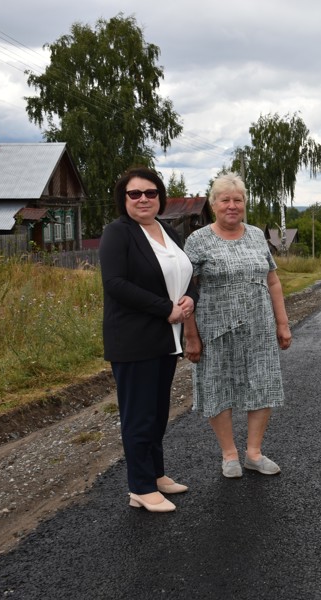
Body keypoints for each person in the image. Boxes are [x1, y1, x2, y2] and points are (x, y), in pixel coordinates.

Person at [99, 167, 197, 513]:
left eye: (150, 193)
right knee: (138, 414)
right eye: (134, 194)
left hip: (166, 338)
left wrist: (189, 299)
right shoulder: (118, 233)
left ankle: (155, 474)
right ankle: (139, 487)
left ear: (160, 197)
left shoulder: (167, 231)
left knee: (157, 412)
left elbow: (184, 274)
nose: (143, 199)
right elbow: (116, 284)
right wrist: (165, 309)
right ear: (123, 199)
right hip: (134, 338)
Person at [183, 173, 292, 479]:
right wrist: (191, 335)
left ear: (245, 203)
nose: (232, 205)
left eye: (238, 200)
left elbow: (272, 280)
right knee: (218, 387)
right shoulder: (198, 240)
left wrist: (282, 323)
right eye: (225, 200)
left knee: (263, 384)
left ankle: (254, 453)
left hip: (259, 327)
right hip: (215, 331)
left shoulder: (257, 235)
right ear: (213, 203)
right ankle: (229, 455)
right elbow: (185, 290)